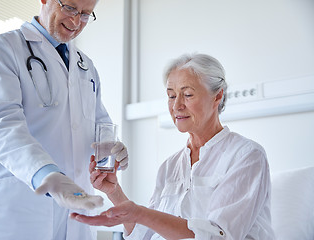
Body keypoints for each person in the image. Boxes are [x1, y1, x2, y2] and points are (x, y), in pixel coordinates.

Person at [71, 53, 275, 239]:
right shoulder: (170, 166)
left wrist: (141, 212)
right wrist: (114, 192)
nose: (177, 105)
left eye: (187, 94)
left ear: (218, 96)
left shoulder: (246, 156)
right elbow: (144, 234)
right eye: (171, 95)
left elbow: (218, 235)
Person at [0, 0, 128, 239]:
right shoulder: (4, 48)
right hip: (23, 208)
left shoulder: (86, 66)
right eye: (70, 8)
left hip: (77, 211)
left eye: (87, 14)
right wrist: (46, 174)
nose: (76, 22)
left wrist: (111, 146)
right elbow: (1, 126)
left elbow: (98, 123)